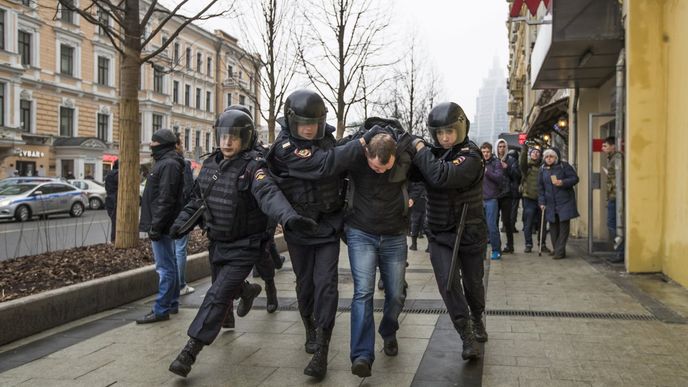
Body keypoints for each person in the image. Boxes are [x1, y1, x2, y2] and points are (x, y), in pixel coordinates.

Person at [167, 109, 318, 378]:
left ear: (245, 139)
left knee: (217, 296)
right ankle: (246, 291)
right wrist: (179, 224)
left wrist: (290, 218)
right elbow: (196, 201)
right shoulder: (210, 164)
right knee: (224, 290)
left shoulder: (254, 167)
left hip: (244, 247)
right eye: (224, 137)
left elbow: (269, 194)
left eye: (234, 138)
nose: (227, 143)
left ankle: (191, 350)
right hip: (217, 243)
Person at [267, 89, 365, 378]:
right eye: (303, 125)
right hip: (299, 229)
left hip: (327, 227)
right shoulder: (283, 148)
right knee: (306, 284)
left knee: (327, 285)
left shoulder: (328, 141)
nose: (308, 130)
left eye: (313, 124)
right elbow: (324, 164)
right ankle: (309, 323)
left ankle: (322, 346)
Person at [412, 101, 487, 360]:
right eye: (439, 133)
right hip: (439, 233)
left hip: (470, 232)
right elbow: (412, 173)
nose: (444, 138)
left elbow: (440, 176)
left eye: (449, 132)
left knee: (473, 284)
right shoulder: (432, 153)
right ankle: (465, 333)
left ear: (461, 128)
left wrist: (420, 149)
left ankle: (477, 316)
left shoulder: (472, 155)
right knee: (448, 283)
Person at [343, 117, 416, 378]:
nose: (381, 172)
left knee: (395, 294)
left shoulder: (407, 152)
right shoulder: (356, 151)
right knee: (363, 293)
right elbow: (332, 161)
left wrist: (414, 197)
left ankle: (388, 330)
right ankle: (362, 355)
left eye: (386, 169)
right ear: (367, 154)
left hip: (395, 235)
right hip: (361, 232)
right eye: (375, 168)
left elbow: (421, 180)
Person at [137, 129, 186, 324]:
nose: (151, 146)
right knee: (169, 265)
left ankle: (161, 308)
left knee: (164, 268)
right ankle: (171, 303)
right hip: (165, 223)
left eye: (154, 144)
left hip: (163, 224)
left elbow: (165, 199)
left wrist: (155, 226)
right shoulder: (168, 162)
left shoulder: (168, 164)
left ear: (162, 145)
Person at [538, 148, 579, 259]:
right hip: (550, 202)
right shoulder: (542, 169)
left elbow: (575, 178)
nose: (549, 159)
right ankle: (557, 249)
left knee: (563, 227)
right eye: (546, 157)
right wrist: (541, 202)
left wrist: (563, 182)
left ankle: (559, 252)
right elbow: (541, 187)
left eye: (551, 156)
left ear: (556, 157)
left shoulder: (564, 166)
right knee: (553, 228)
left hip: (565, 201)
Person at [519, 144, 550, 253]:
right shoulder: (526, 166)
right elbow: (521, 162)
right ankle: (528, 244)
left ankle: (542, 244)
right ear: (530, 154)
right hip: (529, 198)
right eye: (533, 152)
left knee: (542, 223)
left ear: (540, 155)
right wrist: (524, 149)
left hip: (542, 199)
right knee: (528, 222)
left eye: (537, 152)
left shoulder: (544, 167)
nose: (535, 154)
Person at [174, 134, 195, 296]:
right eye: (181, 143)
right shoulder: (183, 164)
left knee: (170, 250)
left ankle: (171, 285)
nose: (183, 146)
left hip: (164, 215)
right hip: (181, 213)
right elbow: (189, 190)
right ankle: (180, 285)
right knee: (180, 249)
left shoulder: (159, 163)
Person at [481, 142, 505, 260]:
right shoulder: (477, 163)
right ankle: (482, 251)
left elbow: (499, 178)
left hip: (491, 199)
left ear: (491, 152)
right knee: (481, 227)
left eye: (487, 152)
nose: (485, 154)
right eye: (483, 152)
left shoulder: (496, 163)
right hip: (479, 199)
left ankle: (496, 250)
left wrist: (487, 172)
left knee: (492, 226)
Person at [495, 139, 519, 254]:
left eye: (504, 146)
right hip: (494, 195)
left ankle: (510, 245)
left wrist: (507, 168)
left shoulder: (512, 160)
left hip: (507, 194)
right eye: (499, 146)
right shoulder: (493, 160)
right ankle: (496, 245)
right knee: (493, 221)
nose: (502, 149)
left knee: (507, 221)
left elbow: (517, 177)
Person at [602, 136, 624, 263]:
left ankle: (619, 252)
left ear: (613, 146)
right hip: (613, 195)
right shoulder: (613, 158)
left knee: (613, 224)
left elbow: (619, 177)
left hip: (616, 196)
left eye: (605, 146)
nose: (603, 148)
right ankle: (618, 251)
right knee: (613, 224)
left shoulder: (617, 158)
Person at [407, 180, 427, 251]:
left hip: (417, 202)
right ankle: (429, 247)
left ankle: (414, 245)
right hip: (425, 201)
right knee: (426, 223)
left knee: (415, 223)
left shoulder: (415, 179)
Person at [104, 159, 119, 243]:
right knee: (116, 222)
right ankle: (114, 240)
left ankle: (113, 239)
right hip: (115, 200)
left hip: (109, 199)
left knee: (114, 221)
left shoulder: (109, 173)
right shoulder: (117, 174)